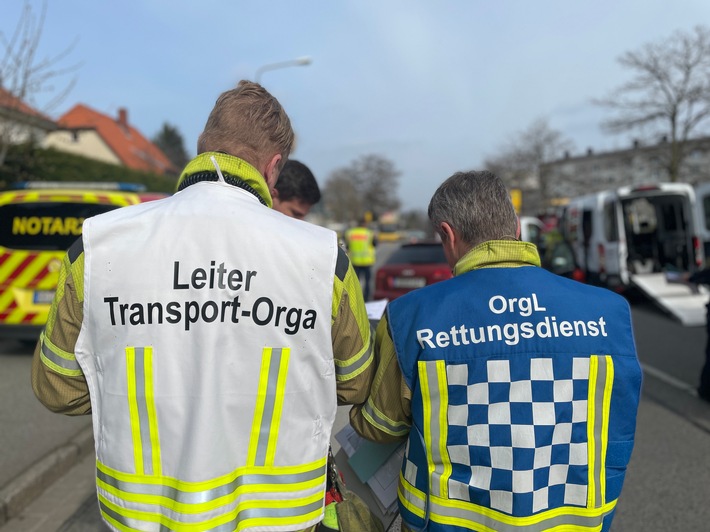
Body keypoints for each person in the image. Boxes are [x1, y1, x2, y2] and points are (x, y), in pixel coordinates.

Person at [31, 80, 375, 532]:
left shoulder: (97, 247)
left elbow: (57, 387)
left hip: (141, 516)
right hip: (278, 517)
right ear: (274, 168)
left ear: (201, 147)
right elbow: (354, 384)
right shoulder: (324, 258)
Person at [350, 171, 642, 532]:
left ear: (448, 234)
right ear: (516, 227)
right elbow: (619, 426)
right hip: (577, 522)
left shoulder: (412, 315)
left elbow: (381, 425)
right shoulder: (608, 311)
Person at [345, 218, 377, 301]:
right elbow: (374, 244)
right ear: (365, 224)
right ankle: (366, 299)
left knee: (355, 283)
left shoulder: (350, 233)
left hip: (355, 261)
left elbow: (347, 246)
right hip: (367, 262)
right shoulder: (369, 233)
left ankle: (356, 299)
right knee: (367, 283)